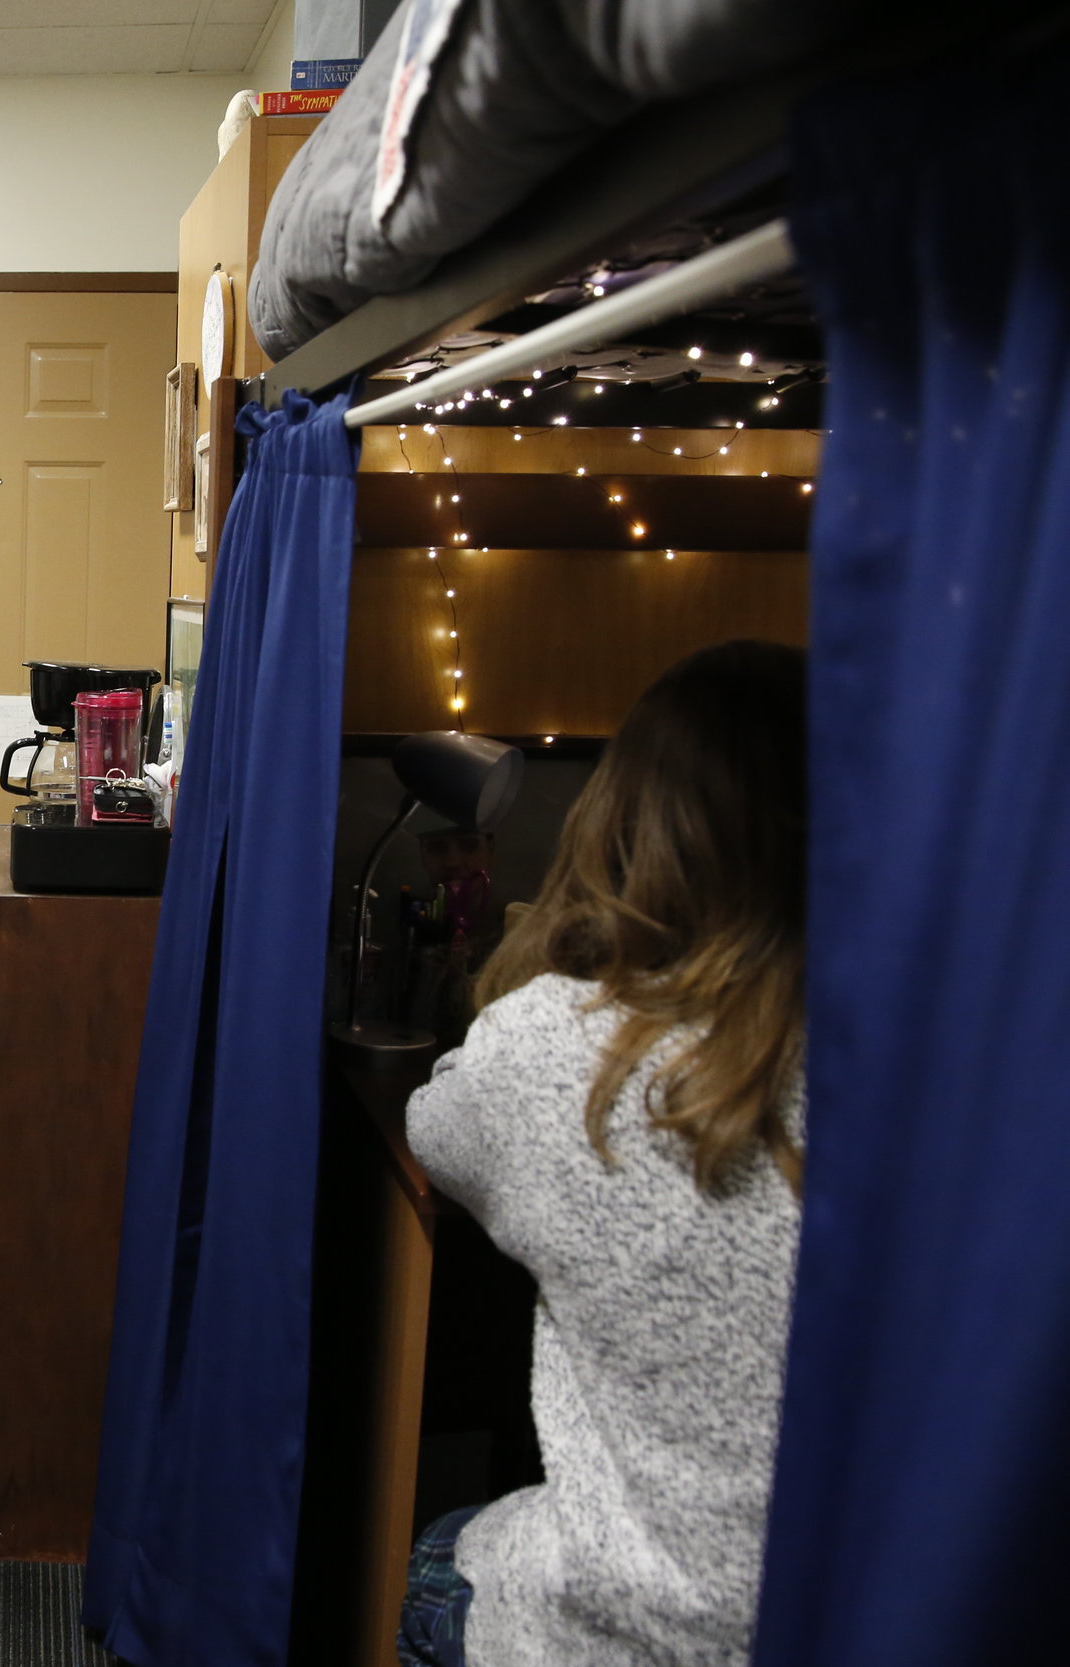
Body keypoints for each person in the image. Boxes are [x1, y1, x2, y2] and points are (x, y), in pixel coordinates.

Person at [398, 640, 808, 1667]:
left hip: (607, 1627)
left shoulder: (556, 1048)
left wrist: (564, 948)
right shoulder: (968, 1077)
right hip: (880, 1619)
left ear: (624, 822)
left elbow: (435, 1124)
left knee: (444, 1549)